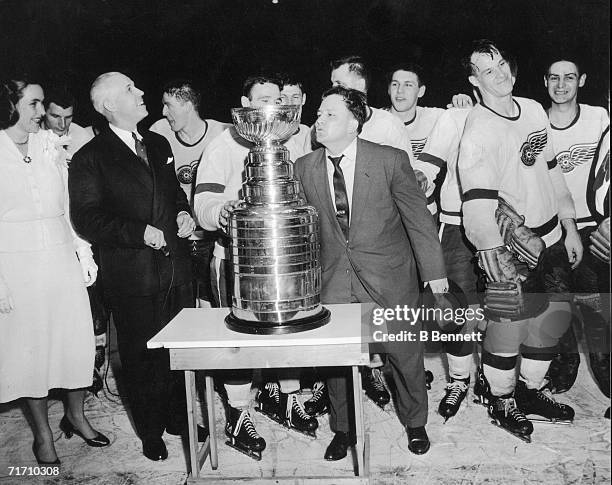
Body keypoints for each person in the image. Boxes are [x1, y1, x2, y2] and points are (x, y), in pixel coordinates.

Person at [294, 86, 448, 459]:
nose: (319, 118)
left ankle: (415, 423)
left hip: (389, 276)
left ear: (354, 123)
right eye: (319, 111)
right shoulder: (303, 167)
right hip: (333, 279)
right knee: (337, 360)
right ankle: (344, 430)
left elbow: (418, 220)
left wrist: (435, 273)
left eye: (330, 113)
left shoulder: (389, 161)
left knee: (404, 355)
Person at [69, 72, 199, 461]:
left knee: (179, 349)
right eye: (130, 89)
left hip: (176, 269)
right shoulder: (90, 157)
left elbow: (174, 194)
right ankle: (152, 430)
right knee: (141, 357)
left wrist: (182, 214)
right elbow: (87, 219)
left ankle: (178, 416)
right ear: (109, 104)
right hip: (133, 275)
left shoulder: (158, 143)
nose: (141, 92)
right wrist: (137, 232)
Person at [458, 40, 580, 442]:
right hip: (513, 248)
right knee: (507, 326)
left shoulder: (530, 109)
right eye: (488, 70)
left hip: (552, 238)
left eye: (503, 63)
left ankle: (528, 391)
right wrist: (490, 251)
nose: (501, 73)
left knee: (549, 324)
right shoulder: (478, 129)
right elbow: (475, 203)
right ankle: (500, 397)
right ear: (475, 81)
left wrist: (569, 221)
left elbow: (551, 168)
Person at [193, 74, 315, 461]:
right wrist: (222, 212)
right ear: (244, 103)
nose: (271, 107)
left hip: (288, 257)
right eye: (262, 99)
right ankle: (238, 412)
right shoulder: (223, 143)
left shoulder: (297, 134)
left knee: (288, 328)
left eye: (278, 99)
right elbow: (204, 202)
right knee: (239, 340)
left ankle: (287, 397)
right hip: (237, 260)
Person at [0, 77, 108, 465]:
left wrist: (82, 250)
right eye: (33, 104)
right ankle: (43, 436)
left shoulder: (49, 144)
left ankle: (77, 417)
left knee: (74, 341)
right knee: (31, 352)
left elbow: (67, 202)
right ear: (9, 105)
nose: (41, 112)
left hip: (60, 252)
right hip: (15, 259)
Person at [543, 58, 610, 394]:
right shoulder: (536, 123)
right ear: (545, 82)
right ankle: (565, 365)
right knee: (557, 306)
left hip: (596, 229)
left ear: (581, 80)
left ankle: (607, 376)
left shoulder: (599, 117)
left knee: (596, 309)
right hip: (556, 230)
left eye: (569, 77)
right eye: (554, 78)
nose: (561, 85)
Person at [150, 79, 229, 308]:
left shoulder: (222, 133)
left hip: (210, 236)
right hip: (177, 234)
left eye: (168, 105)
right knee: (180, 303)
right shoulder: (159, 132)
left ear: (187, 104)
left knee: (210, 301)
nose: (164, 112)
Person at [42, 86, 93, 162]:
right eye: (56, 116)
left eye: (68, 117)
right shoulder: (30, 134)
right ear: (43, 112)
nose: (63, 125)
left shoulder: (82, 138)